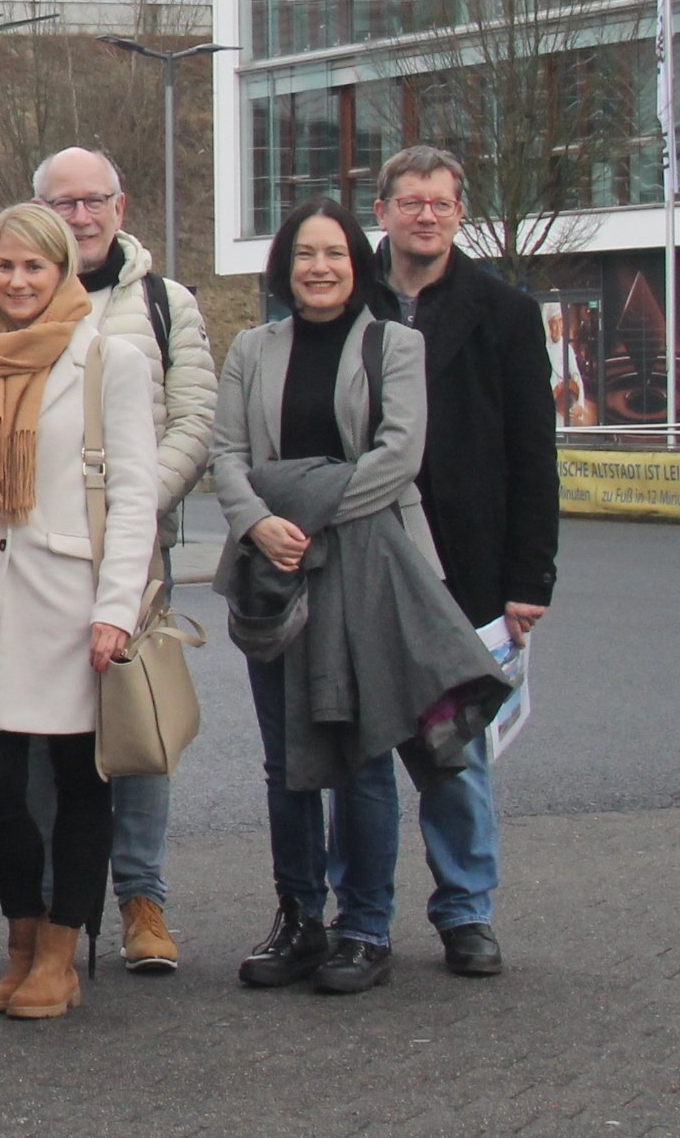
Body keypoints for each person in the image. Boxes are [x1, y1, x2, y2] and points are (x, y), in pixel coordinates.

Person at [212, 198, 507, 998]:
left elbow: (397, 458)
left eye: (335, 253)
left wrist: (297, 509)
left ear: (357, 262)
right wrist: (259, 524)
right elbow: (228, 455)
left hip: (370, 564)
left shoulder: (394, 345)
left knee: (365, 754)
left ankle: (364, 926)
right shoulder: (250, 348)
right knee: (285, 762)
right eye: (305, 254)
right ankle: (299, 918)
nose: (319, 268)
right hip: (277, 567)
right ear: (283, 266)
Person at [0, 203, 158, 1022]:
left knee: (78, 788)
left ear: (63, 273)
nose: (17, 283)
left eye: (34, 268)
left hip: (70, 602)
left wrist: (117, 608)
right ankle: (19, 934)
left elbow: (133, 497)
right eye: (4, 267)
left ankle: (60, 948)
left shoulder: (109, 361)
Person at [367, 144, 558, 978]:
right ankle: (358, 915)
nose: (427, 216)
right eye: (412, 202)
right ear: (383, 211)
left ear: (459, 213)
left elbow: (533, 454)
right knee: (361, 758)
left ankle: (466, 911)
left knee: (457, 752)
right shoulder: (343, 295)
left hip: (467, 569)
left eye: (442, 203)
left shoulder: (503, 312)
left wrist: (529, 580)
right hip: (367, 562)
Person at [31, 147, 217, 974]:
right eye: (62, 204)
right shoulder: (14, 300)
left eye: (93, 201)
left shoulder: (165, 304)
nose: (80, 218)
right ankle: (48, 909)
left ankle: (142, 898)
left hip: (136, 557)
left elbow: (194, 423)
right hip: (37, 556)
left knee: (137, 726)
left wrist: (127, 517)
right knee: (42, 732)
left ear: (121, 203)